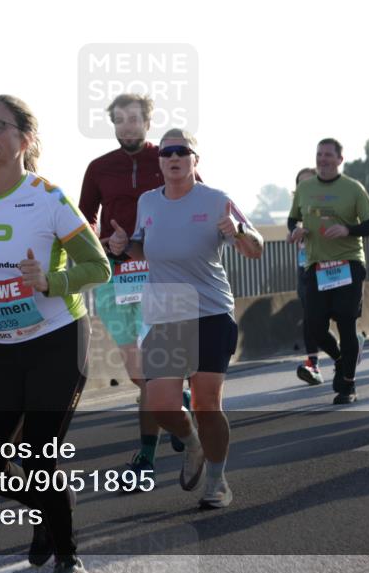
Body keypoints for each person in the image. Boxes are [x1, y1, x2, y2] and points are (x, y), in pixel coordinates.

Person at [0, 95, 110, 573]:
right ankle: (51, 505)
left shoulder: (49, 198)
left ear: (25, 139)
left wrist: (50, 281)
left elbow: (99, 267)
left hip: (57, 339)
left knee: (38, 457)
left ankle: (68, 556)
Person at [107, 128, 263, 509]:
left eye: (181, 151)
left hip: (211, 312)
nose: (174, 158)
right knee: (160, 403)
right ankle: (193, 444)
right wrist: (123, 246)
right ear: (159, 161)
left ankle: (217, 481)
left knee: (207, 403)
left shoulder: (217, 200)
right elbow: (143, 249)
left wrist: (240, 231)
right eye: (167, 152)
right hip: (166, 315)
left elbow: (256, 249)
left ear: (195, 159)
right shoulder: (148, 202)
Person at [78, 93, 194, 482]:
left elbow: (195, 201)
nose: (127, 126)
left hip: (160, 274)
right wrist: (103, 242)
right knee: (136, 371)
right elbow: (84, 219)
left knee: (156, 365)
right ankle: (175, 403)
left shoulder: (166, 158)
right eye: (119, 120)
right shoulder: (99, 167)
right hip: (115, 276)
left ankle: (146, 454)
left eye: (133, 119)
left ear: (147, 121)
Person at [288, 138, 369, 404]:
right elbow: (293, 219)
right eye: (319, 154)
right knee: (315, 327)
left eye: (328, 155)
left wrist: (347, 230)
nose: (323, 159)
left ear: (340, 159)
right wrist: (296, 230)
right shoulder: (305, 188)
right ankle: (340, 358)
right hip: (316, 265)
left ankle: (348, 385)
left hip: (348, 263)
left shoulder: (353, 188)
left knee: (346, 324)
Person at [294, 167, 339, 384]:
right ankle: (313, 364)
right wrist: (295, 232)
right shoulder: (297, 211)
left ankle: (346, 352)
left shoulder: (329, 206)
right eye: (300, 184)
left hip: (329, 267)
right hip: (306, 269)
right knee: (310, 317)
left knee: (335, 315)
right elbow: (292, 232)